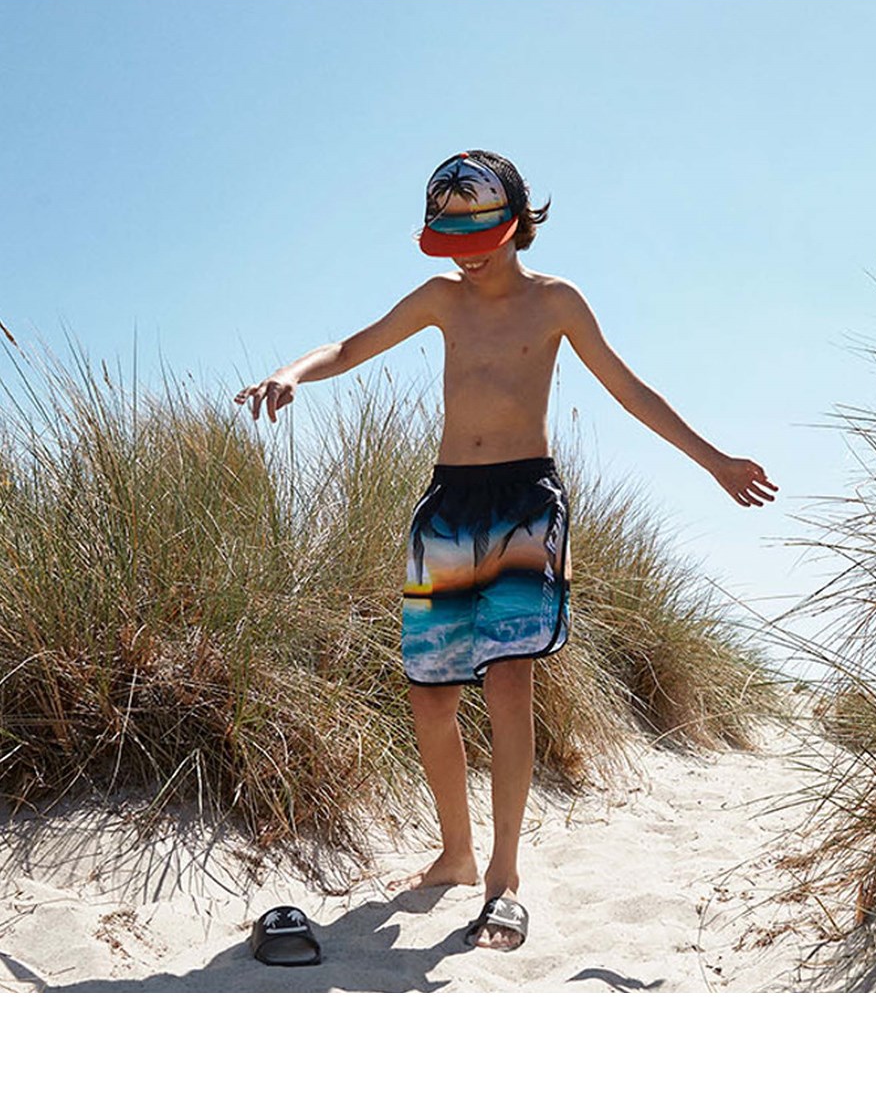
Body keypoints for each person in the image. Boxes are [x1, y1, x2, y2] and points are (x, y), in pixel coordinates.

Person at [235, 149, 777, 952]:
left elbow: (629, 391)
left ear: (517, 221)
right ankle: (454, 854)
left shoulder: (556, 302)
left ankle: (503, 878)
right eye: (453, 234)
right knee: (431, 695)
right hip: (448, 504)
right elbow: (350, 347)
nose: (470, 249)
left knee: (512, 684)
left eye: (482, 230)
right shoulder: (440, 300)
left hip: (526, 501)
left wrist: (716, 461)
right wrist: (291, 372)